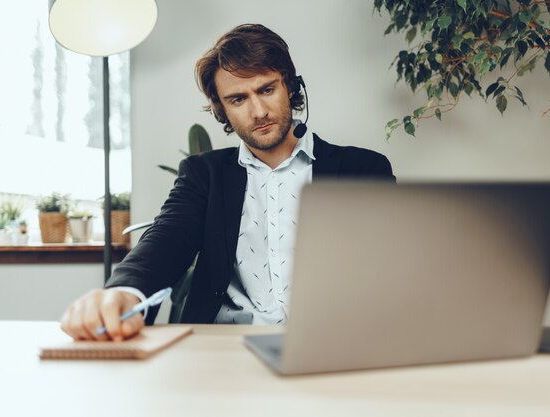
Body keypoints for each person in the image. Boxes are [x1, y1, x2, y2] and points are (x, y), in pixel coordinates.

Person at [61, 23, 395, 341]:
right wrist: (124, 291)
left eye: (267, 89)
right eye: (238, 99)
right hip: (226, 349)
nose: (259, 111)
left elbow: (390, 266)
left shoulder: (364, 168)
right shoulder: (203, 174)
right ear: (221, 109)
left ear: (290, 86)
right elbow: (166, 239)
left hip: (330, 348)